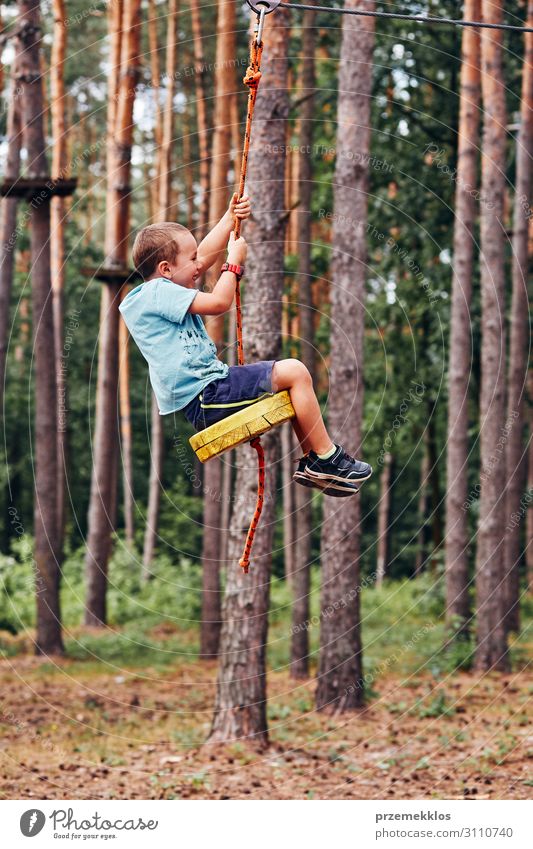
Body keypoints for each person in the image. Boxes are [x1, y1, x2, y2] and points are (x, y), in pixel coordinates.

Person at [120, 194, 372, 496]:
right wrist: (234, 264)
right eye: (190, 260)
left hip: (209, 394)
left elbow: (202, 258)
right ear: (165, 269)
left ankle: (315, 460)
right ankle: (326, 458)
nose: (198, 265)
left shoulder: (163, 288)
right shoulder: (158, 292)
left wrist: (230, 218)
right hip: (208, 396)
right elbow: (219, 302)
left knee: (294, 379)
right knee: (295, 371)